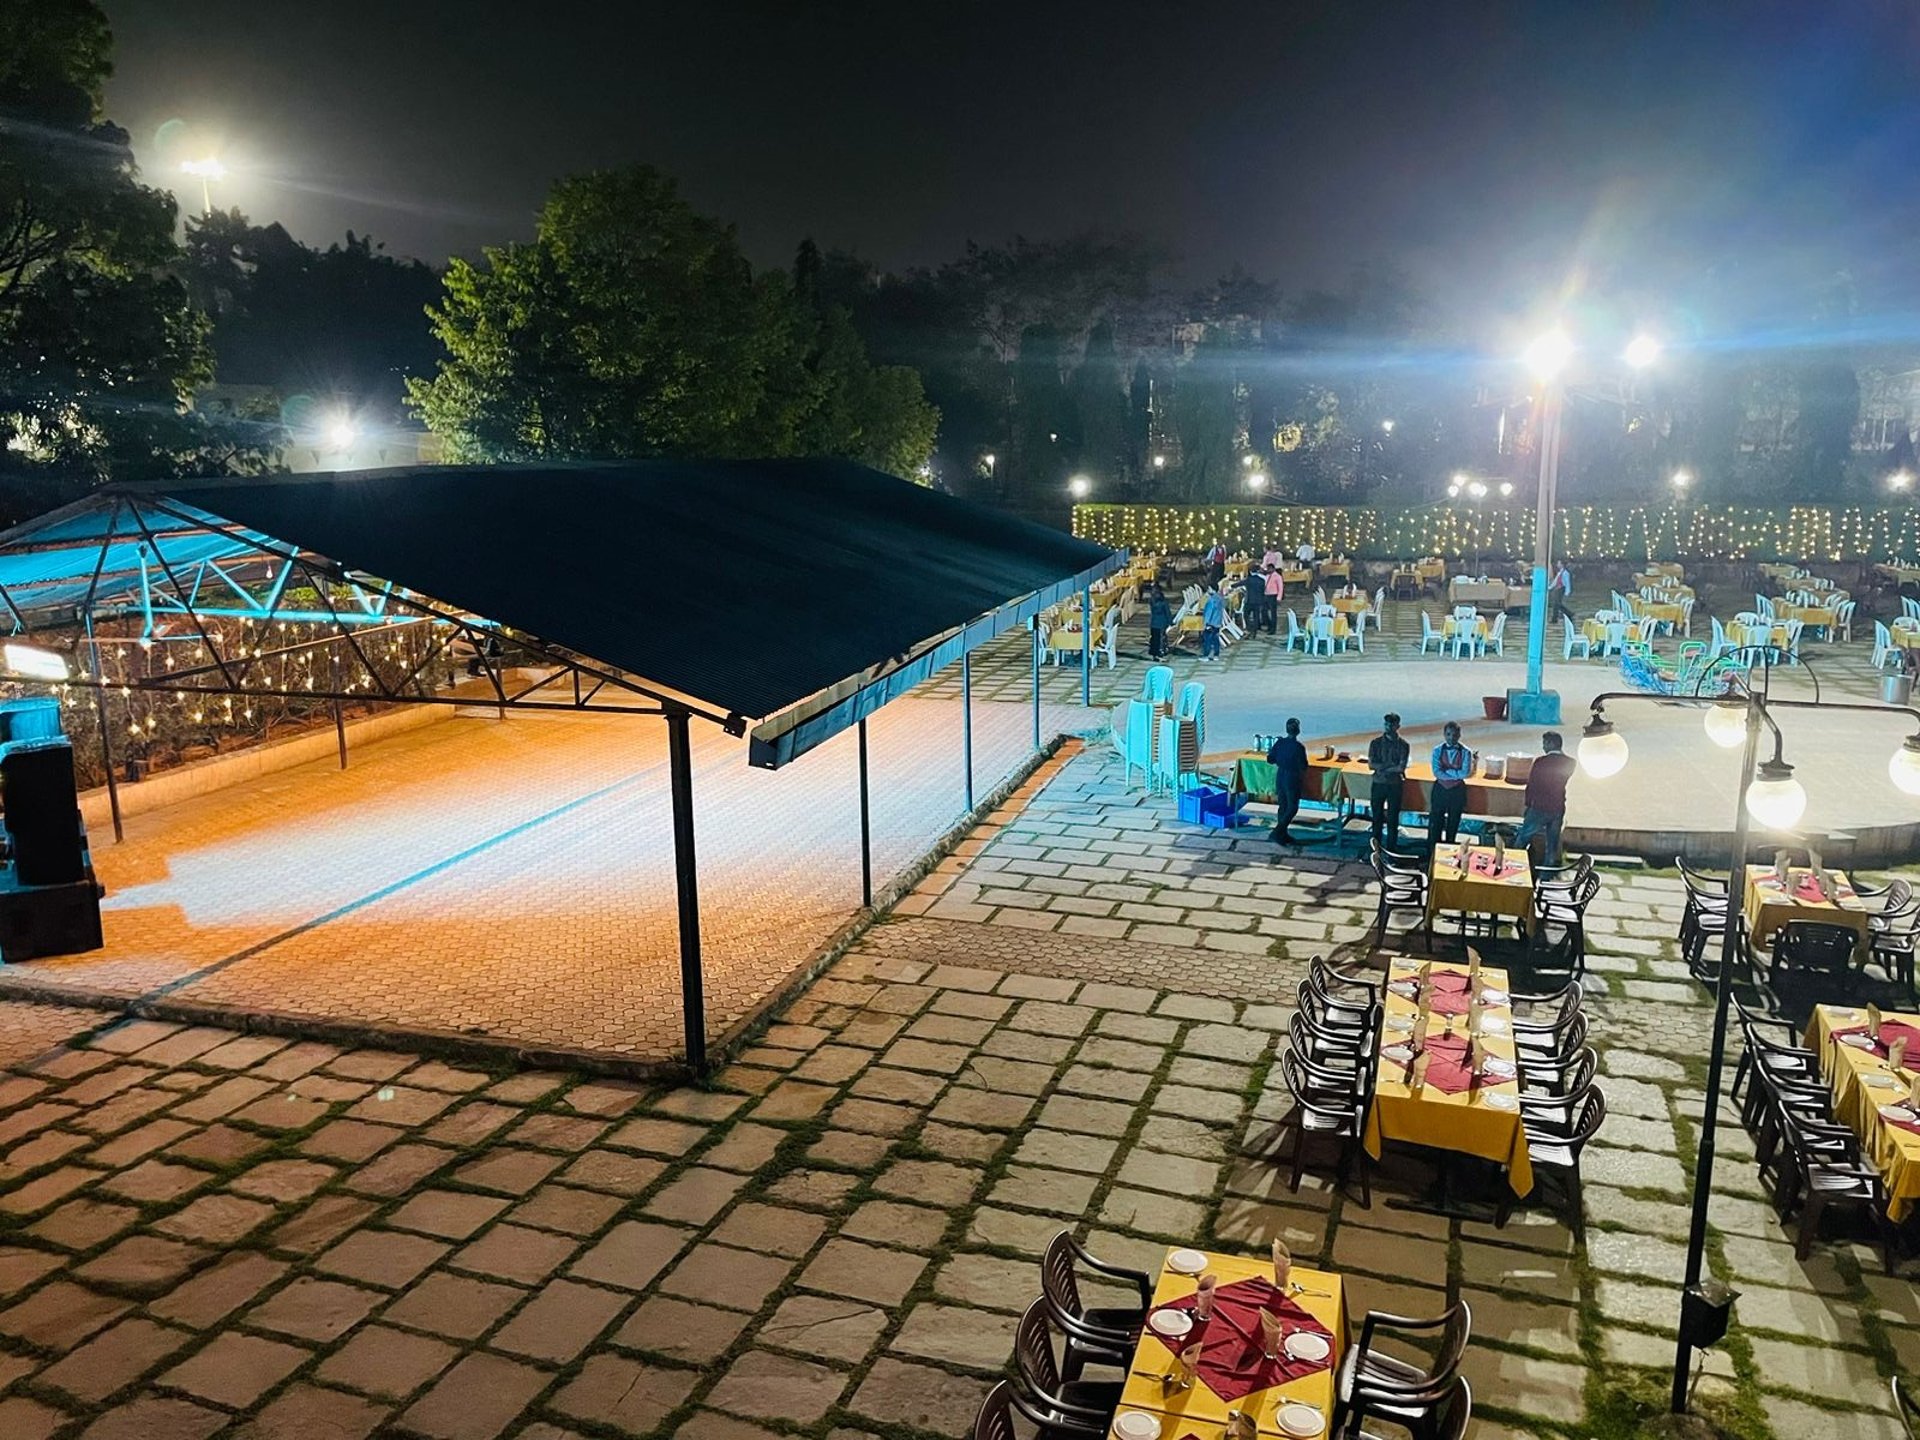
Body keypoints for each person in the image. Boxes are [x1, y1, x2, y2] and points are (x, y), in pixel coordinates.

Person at [1514, 731, 1577, 866]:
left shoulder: (1540, 762)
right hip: (1558, 806)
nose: (1543, 747)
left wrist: (1527, 805)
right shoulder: (1571, 763)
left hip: (1539, 807)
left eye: (1545, 743)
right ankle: (1547, 873)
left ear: (1551, 743)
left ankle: (1513, 863)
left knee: (1523, 837)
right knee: (1552, 843)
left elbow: (1531, 785)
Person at [1367, 712, 1411, 851]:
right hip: (1379, 783)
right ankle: (1376, 848)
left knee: (1393, 819)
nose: (1389, 726)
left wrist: (1383, 767)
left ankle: (1391, 849)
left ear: (1398, 726)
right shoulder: (1375, 743)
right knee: (1376, 818)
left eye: (1392, 724)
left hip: (1394, 785)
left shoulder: (1404, 745)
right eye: (1386, 724)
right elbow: (1371, 764)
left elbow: (1401, 767)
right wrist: (1390, 766)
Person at [1429, 720, 1473, 844]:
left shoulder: (1466, 752)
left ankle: (1449, 848)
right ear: (1444, 734)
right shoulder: (1437, 750)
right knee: (1436, 823)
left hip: (1457, 791)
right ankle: (1432, 851)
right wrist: (1455, 774)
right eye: (1448, 734)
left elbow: (1465, 773)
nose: (1451, 738)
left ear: (1459, 735)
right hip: (1440, 790)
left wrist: (1446, 772)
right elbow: (1437, 772)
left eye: (1454, 735)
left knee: (1453, 823)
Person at [1268, 718, 1308, 843]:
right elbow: (1303, 766)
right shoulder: (1298, 747)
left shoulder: (1280, 743)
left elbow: (1270, 759)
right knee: (1292, 807)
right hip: (1292, 777)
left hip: (1280, 775)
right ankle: (1278, 831)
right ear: (1298, 731)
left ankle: (1282, 835)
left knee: (1283, 805)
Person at [1148, 584, 1172, 659]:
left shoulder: (1152, 600)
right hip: (1162, 622)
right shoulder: (1163, 602)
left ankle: (1154, 653)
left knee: (1154, 638)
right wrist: (1170, 622)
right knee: (1161, 638)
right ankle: (1161, 651)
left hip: (1154, 622)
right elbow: (1167, 612)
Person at [1200, 585, 1224, 660]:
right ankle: (1216, 655)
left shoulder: (1211, 600)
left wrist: (1205, 623)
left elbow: (1208, 613)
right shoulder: (1220, 598)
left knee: (1207, 640)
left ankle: (1206, 655)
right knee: (1215, 639)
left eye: (1209, 588)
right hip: (1217, 622)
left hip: (1210, 623)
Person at [1549, 559, 1575, 625]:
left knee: (1557, 604)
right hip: (1558, 589)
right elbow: (1555, 582)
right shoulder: (1560, 572)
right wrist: (1550, 587)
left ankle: (1567, 614)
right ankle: (1568, 614)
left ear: (1562, 565)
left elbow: (1567, 583)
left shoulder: (1565, 573)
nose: (1557, 565)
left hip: (1561, 589)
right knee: (1557, 604)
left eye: (1559, 563)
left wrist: (1567, 592)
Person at [1262, 562, 1285, 634]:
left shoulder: (1277, 576)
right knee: (1264, 611)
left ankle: (1273, 629)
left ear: (1273, 569)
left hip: (1273, 595)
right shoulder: (1267, 576)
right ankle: (1269, 625)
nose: (1268, 570)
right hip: (1266, 595)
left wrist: (1279, 598)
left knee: (1273, 613)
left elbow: (1280, 587)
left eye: (1269, 569)